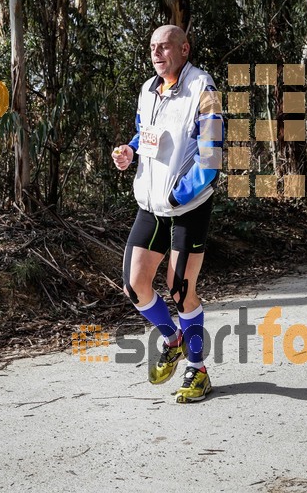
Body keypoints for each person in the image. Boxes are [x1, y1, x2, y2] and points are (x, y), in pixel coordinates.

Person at [112, 25, 223, 403]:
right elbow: (144, 134)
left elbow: (211, 158)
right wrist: (129, 152)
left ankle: (197, 369)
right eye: (152, 48)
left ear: (184, 49)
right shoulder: (147, 90)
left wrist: (178, 196)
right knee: (134, 284)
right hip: (151, 204)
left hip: (187, 205)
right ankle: (172, 338)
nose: (157, 54)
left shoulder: (203, 90)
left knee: (180, 289)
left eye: (165, 47)